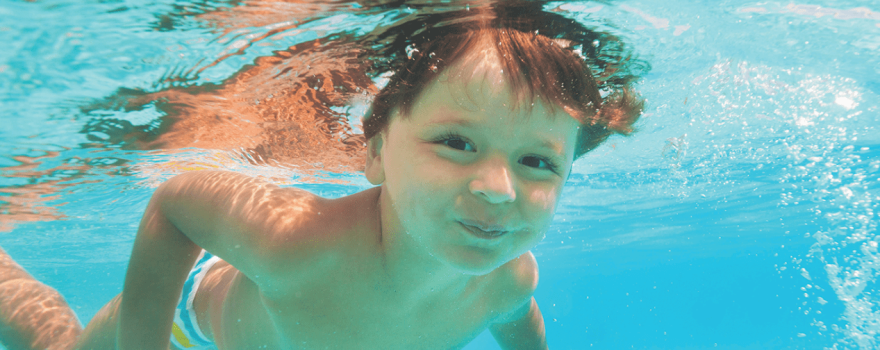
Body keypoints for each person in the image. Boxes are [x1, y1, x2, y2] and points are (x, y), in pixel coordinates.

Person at [0, 1, 644, 349]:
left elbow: (520, 323)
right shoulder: (296, 244)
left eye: (537, 161)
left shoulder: (508, 277)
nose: (497, 189)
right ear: (373, 152)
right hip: (187, 321)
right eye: (456, 142)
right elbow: (176, 201)